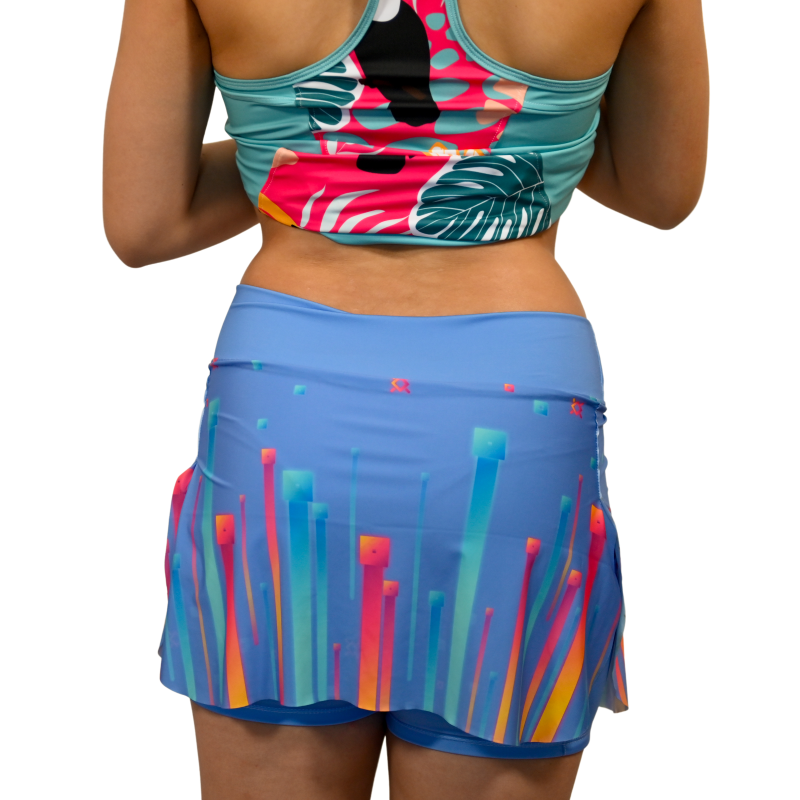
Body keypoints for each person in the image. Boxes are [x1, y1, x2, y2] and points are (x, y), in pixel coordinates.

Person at [104, 0, 708, 797]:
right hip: (512, 415)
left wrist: (302, 151)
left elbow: (147, 223)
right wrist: (519, 122)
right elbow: (660, 189)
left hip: (288, 412)